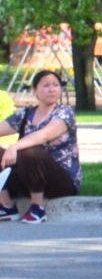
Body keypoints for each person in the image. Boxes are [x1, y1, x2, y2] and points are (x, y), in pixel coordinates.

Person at [0, 70, 80, 223]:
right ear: (35, 90)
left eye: (56, 85)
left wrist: (14, 147)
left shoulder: (64, 112)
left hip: (59, 182)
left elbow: (45, 135)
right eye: (46, 85)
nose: (51, 89)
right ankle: (6, 206)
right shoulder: (25, 113)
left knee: (30, 151)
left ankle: (38, 208)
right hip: (26, 180)